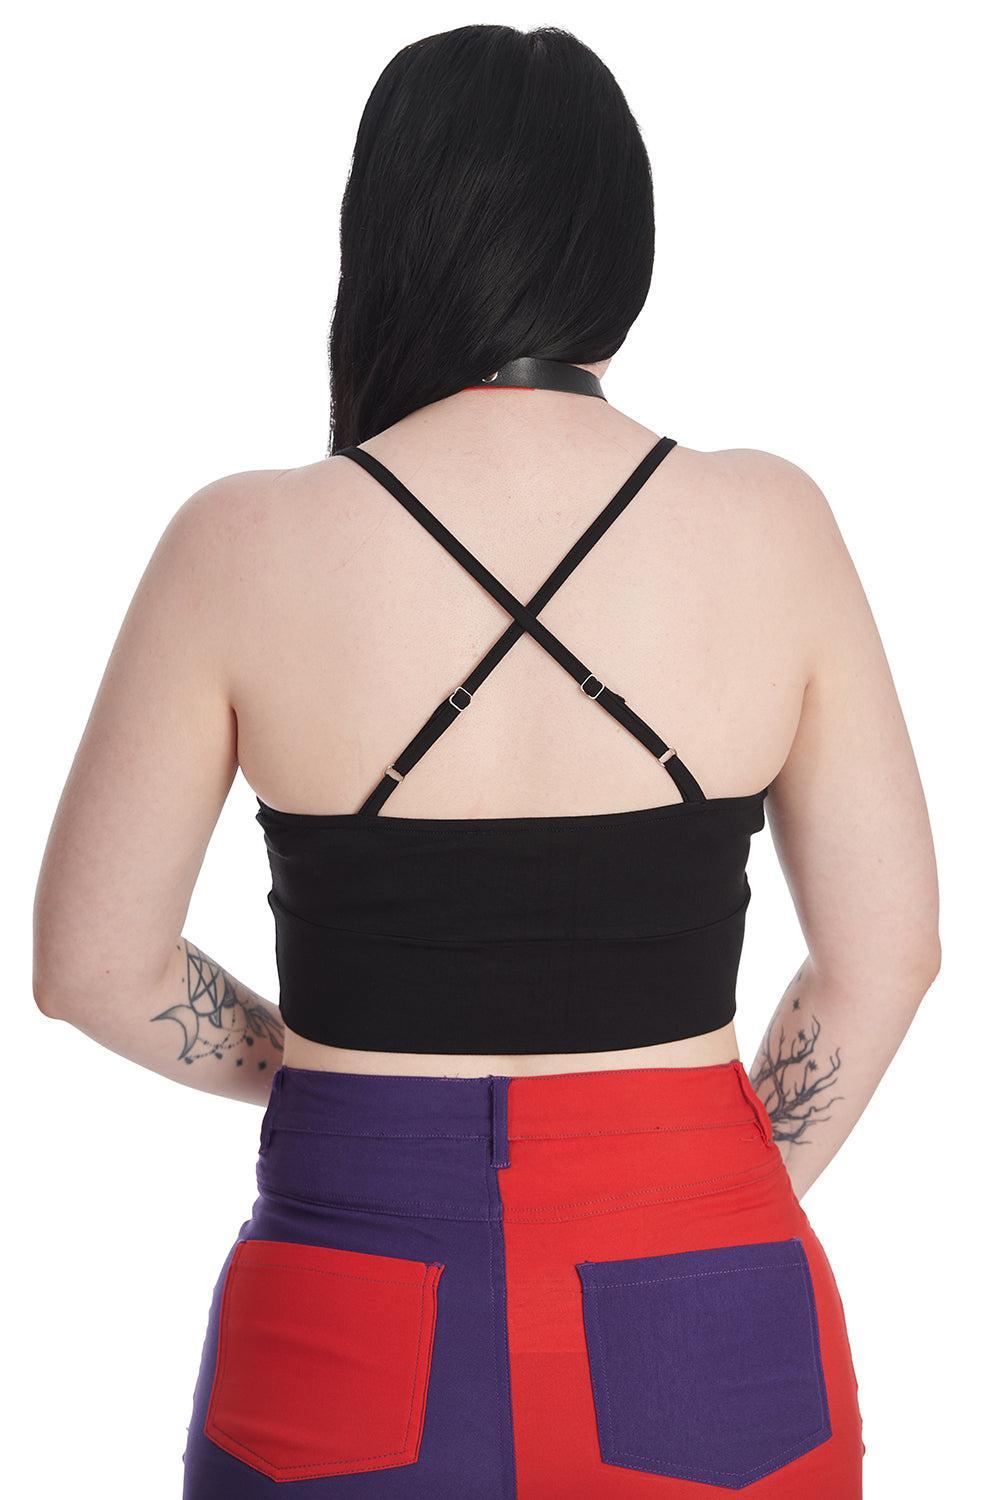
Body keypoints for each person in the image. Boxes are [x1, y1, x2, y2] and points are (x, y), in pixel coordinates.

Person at [32, 23, 940, 1499]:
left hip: (350, 1283)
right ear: (621, 246)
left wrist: (327, 1085)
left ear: (388, 236)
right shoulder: (772, 524)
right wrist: (710, 1185)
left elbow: (90, 968)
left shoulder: (242, 542)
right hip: (707, 1291)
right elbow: (888, 954)